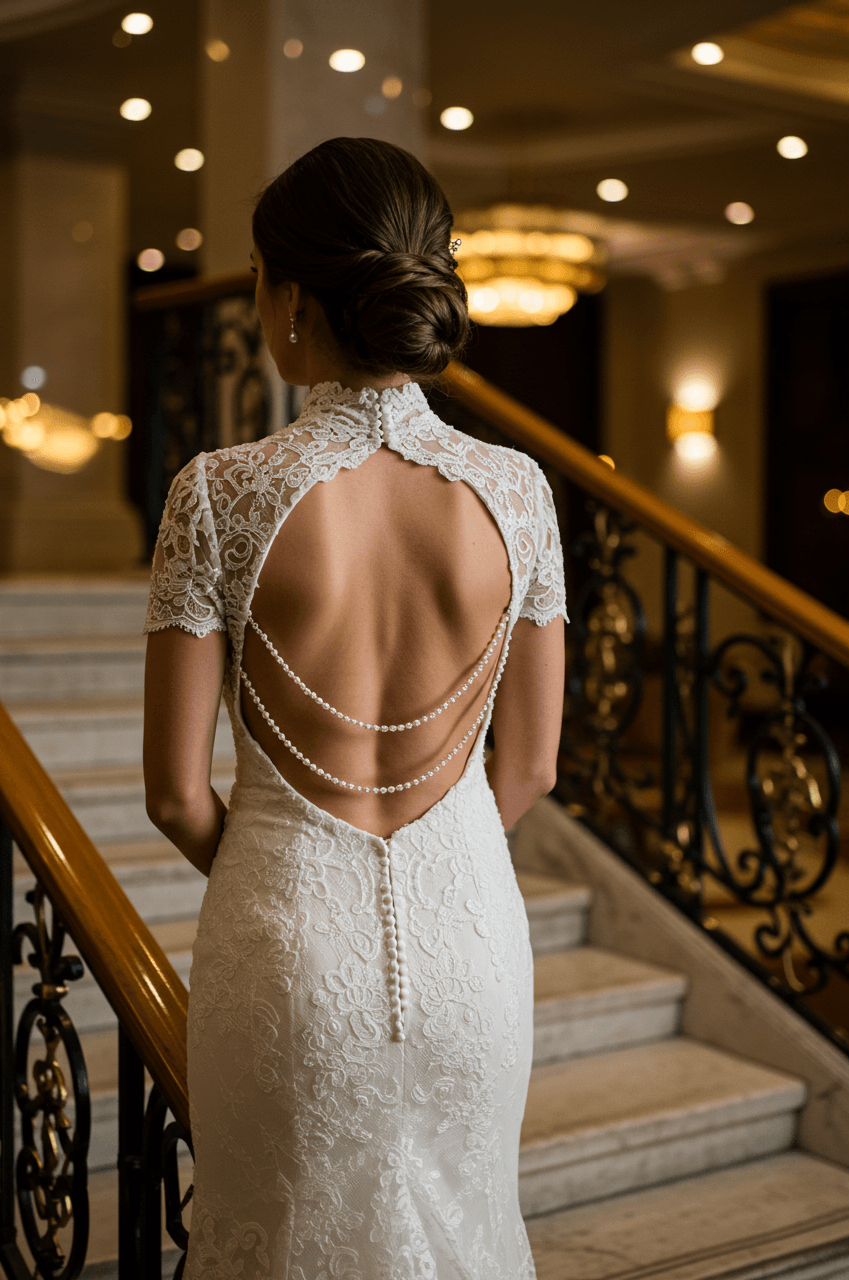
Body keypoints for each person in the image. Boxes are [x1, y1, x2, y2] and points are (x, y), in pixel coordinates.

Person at [143, 136, 567, 1279]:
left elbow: (176, 794)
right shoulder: (518, 490)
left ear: (289, 299)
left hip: (283, 934)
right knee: (467, 1229)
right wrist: (441, 860)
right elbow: (529, 766)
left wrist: (286, 862)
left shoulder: (215, 491)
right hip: (471, 935)